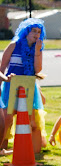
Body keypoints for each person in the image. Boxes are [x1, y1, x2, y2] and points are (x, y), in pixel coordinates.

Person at [0, 18, 46, 154]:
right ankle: (2, 147)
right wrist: (5, 79)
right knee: (7, 119)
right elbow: (1, 68)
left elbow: (37, 70)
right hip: (11, 84)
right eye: (33, 31)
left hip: (29, 85)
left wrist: (37, 50)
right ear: (26, 31)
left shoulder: (38, 49)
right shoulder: (14, 45)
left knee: (31, 120)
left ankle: (27, 149)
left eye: (39, 32)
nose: (36, 34)